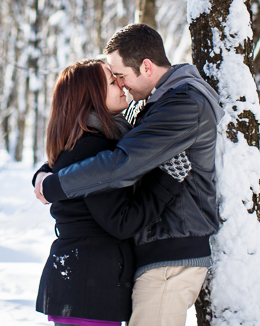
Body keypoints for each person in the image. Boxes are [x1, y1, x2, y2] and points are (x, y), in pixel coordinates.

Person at [34, 24, 225, 326]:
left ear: (146, 67)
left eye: (120, 76)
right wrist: (46, 172)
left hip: (170, 254)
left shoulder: (183, 104)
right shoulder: (150, 104)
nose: (121, 85)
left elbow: (121, 163)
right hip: (127, 266)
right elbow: (98, 152)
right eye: (114, 81)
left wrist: (55, 183)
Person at [33, 59, 184, 326]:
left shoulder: (84, 142)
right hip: (88, 289)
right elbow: (122, 222)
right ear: (90, 97)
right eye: (112, 82)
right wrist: (167, 179)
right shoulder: (94, 149)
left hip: (80, 284)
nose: (121, 84)